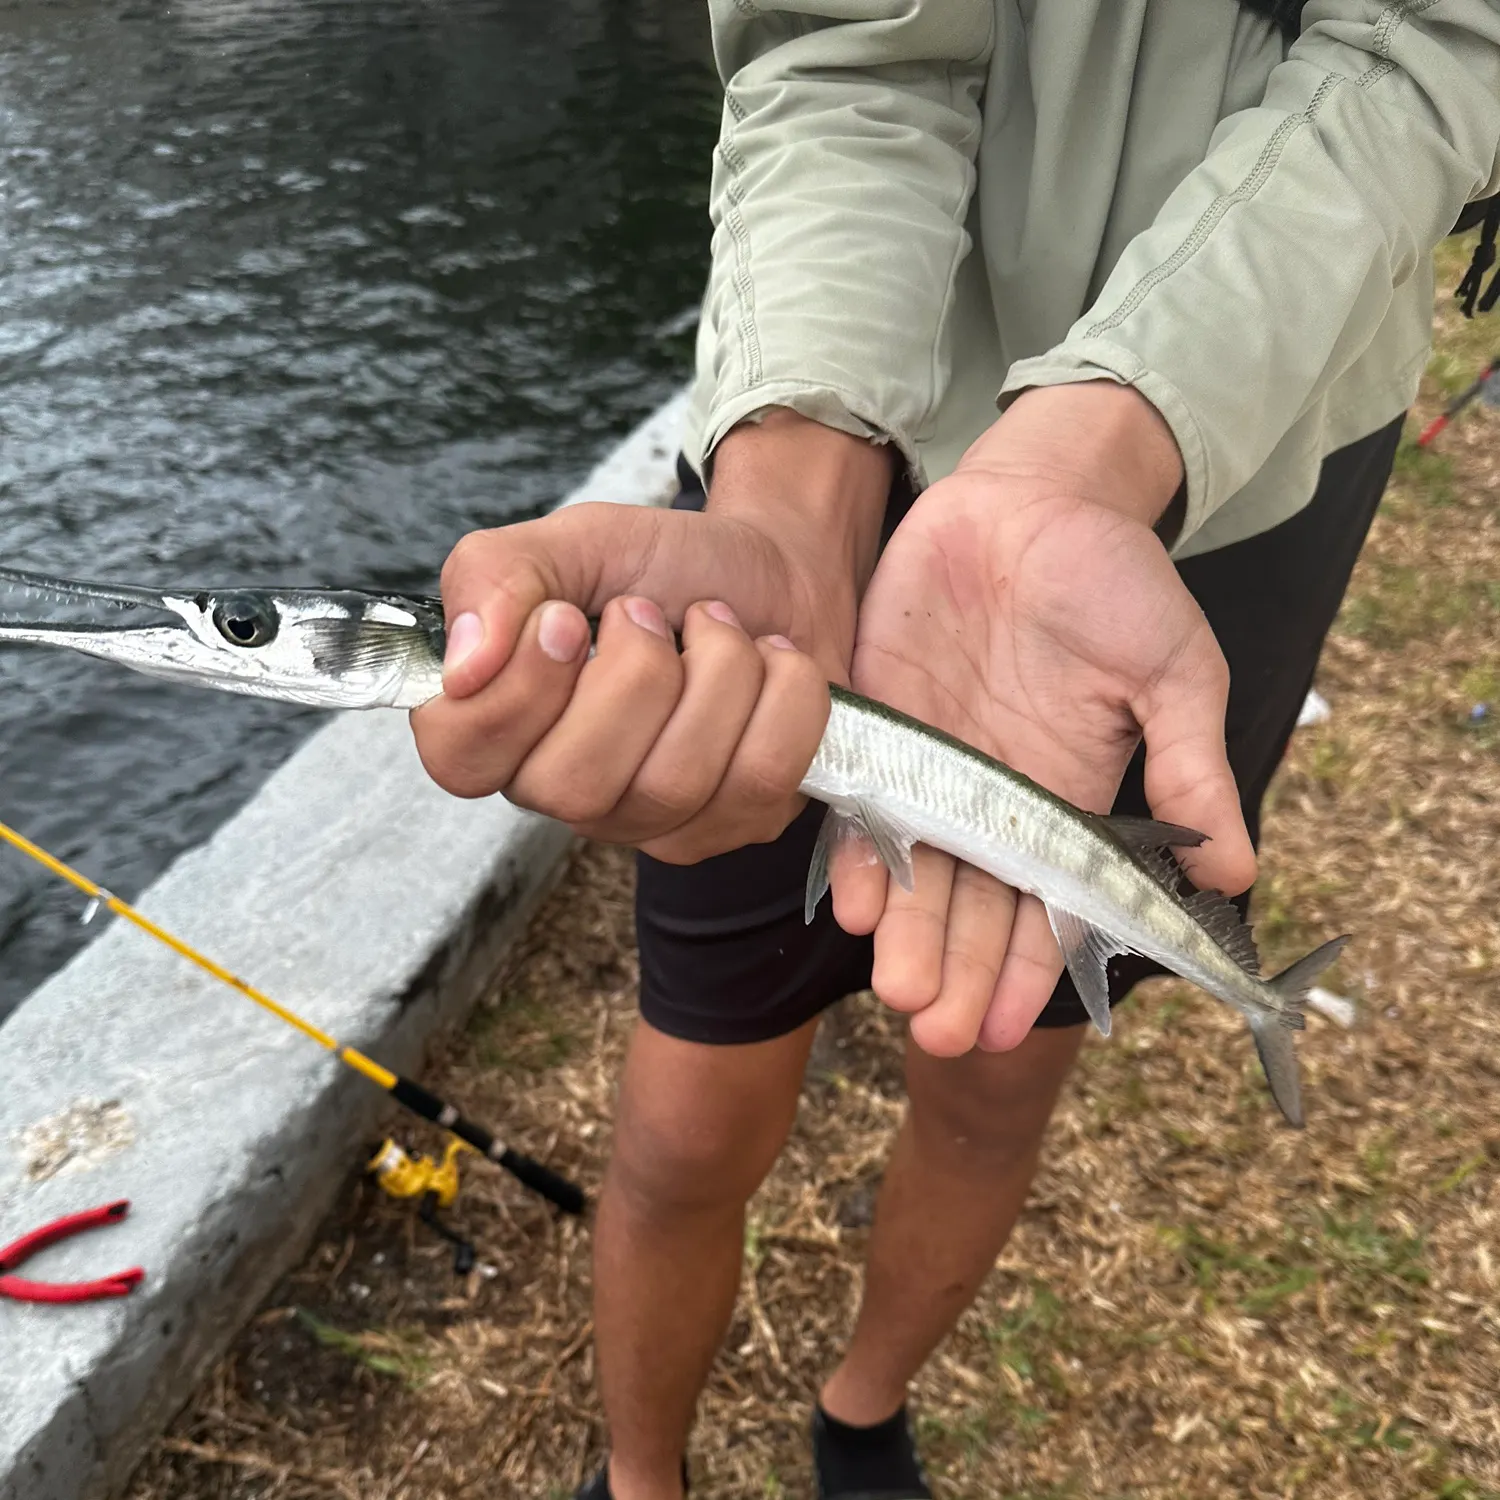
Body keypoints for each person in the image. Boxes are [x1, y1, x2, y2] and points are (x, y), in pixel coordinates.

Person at [409, 3, 1500, 1496]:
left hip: (1242, 468)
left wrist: (1102, 448)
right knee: (687, 1097)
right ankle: (641, 1475)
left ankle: (863, 1417)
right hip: (812, 446)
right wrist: (792, 497)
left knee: (996, 1069)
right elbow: (839, 46)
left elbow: (1434, 49)